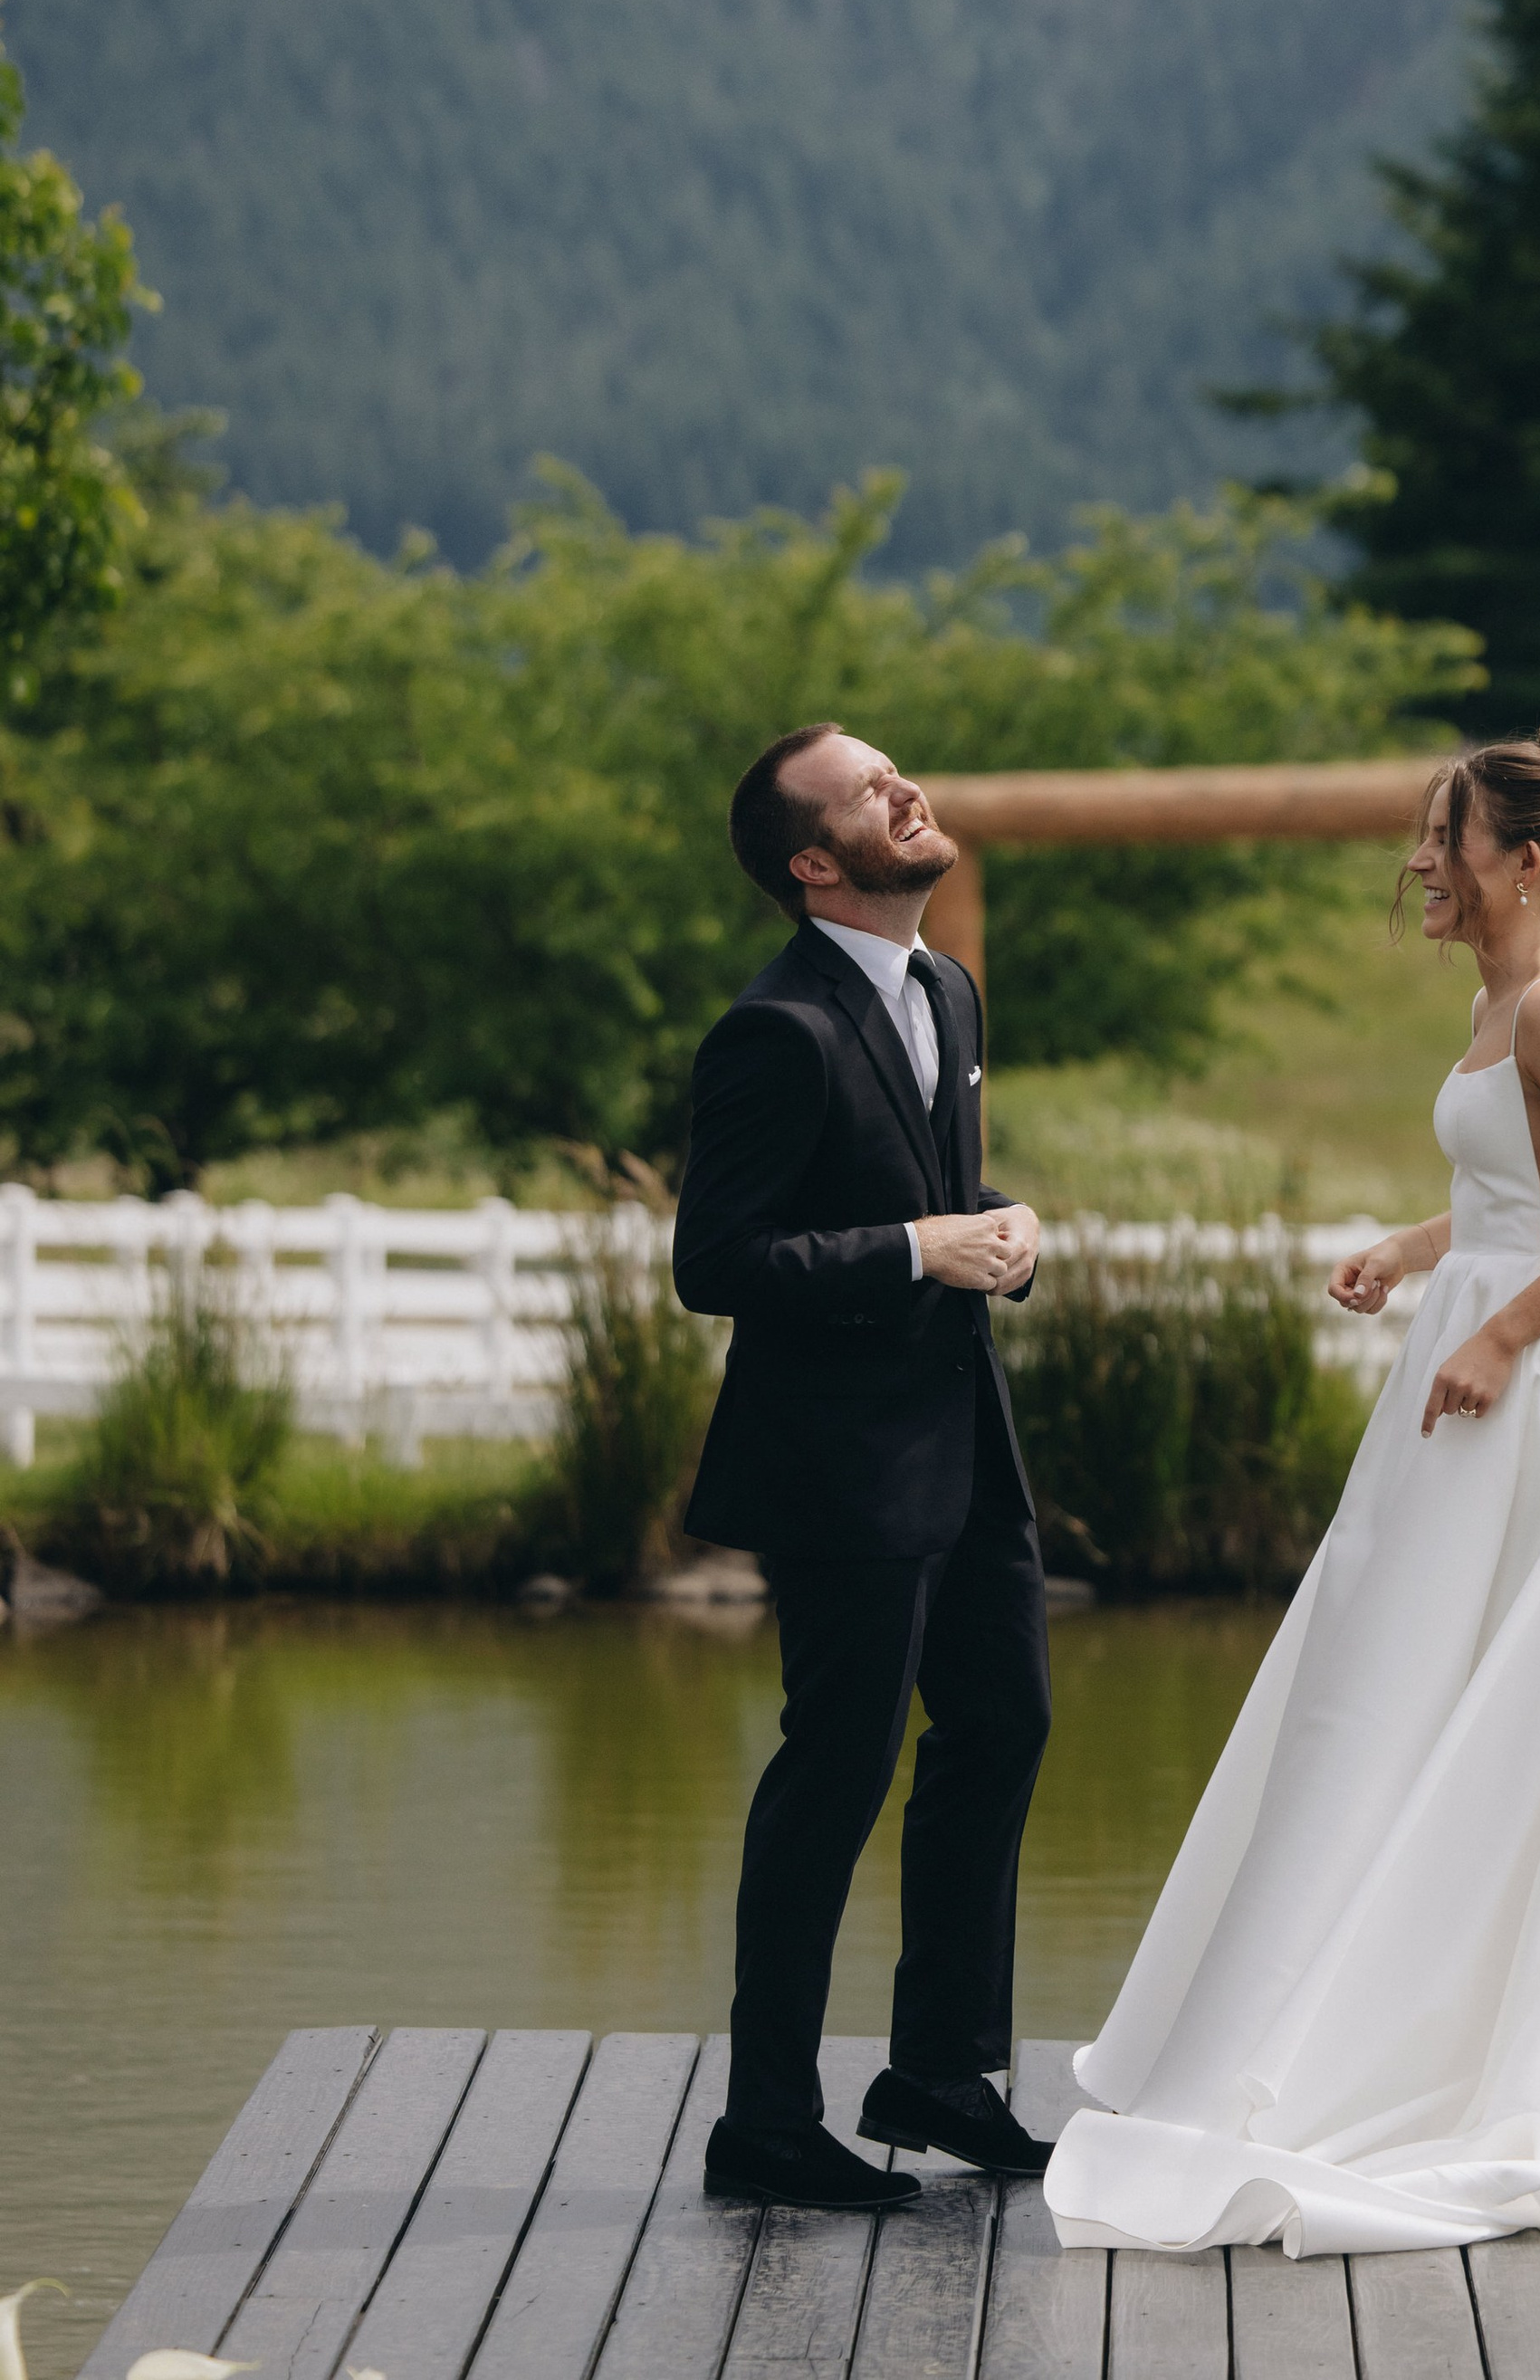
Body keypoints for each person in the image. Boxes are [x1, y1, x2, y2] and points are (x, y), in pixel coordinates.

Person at [1041, 714, 1540, 2256]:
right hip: (1464, 1369)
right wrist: (1414, 1250)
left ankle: (1420, 2056)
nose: (1418, 860)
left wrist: (1503, 1333)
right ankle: (1311, 2018)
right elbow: (1521, 1190)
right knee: (1373, 1688)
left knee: (1451, 1699)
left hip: (1536, 1400)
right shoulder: (1497, 1001)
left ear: (1521, 863)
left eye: (1443, 838)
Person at [673, 722, 1055, 2213]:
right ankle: (764, 2123)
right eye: (866, 790)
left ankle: (939, 2075)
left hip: (967, 1442)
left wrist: (1000, 1225)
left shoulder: (945, 986)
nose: (907, 788)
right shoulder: (772, 1030)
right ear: (814, 862)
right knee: (833, 1773)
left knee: (1002, 1723)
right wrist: (914, 1247)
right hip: (837, 1467)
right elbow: (718, 1260)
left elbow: (932, 1192)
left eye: (900, 771)